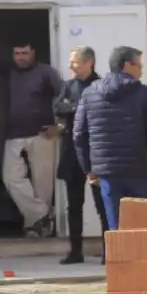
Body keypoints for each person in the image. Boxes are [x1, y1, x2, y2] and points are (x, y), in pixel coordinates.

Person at [0, 14, 63, 238]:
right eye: (17, 54)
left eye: (25, 53)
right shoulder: (10, 70)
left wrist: (59, 125)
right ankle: (43, 214)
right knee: (10, 178)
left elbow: (63, 98)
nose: (20, 58)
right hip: (14, 134)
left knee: (43, 185)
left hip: (42, 134)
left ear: (33, 53)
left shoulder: (47, 73)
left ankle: (36, 226)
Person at [72, 45, 147, 231]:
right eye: (139, 65)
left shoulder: (90, 93)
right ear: (126, 65)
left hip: (108, 173)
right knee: (146, 227)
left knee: (117, 228)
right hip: (139, 169)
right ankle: (144, 260)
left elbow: (79, 134)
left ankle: (120, 260)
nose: (141, 70)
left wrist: (89, 169)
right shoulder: (144, 94)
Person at [53, 45, 109, 264]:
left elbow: (100, 111)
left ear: (89, 63)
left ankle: (108, 250)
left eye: (75, 61)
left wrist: (74, 107)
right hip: (71, 152)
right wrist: (80, 107)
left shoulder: (101, 86)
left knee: (102, 204)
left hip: (96, 152)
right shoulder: (68, 86)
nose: (70, 65)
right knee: (73, 206)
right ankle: (75, 251)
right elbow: (57, 108)